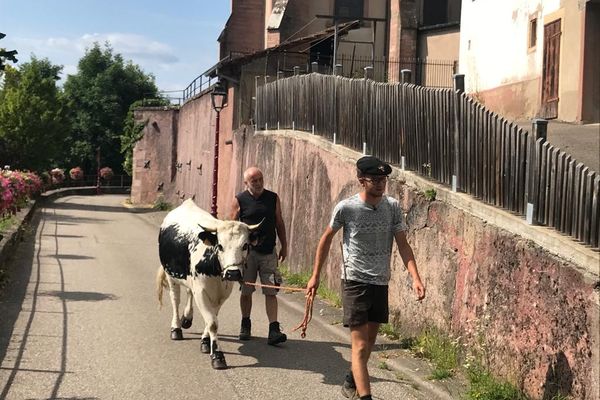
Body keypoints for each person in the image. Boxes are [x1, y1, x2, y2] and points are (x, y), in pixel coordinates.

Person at [306, 155, 426, 400]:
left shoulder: (392, 207)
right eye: (375, 180)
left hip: (380, 281)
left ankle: (351, 378)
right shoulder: (347, 208)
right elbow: (326, 239)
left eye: (384, 180)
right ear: (362, 180)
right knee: (360, 346)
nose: (381, 184)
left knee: (369, 343)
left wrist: (415, 277)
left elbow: (403, 244)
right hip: (355, 281)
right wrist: (315, 275)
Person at [230, 166, 288, 345]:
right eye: (254, 180)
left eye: (260, 179)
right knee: (246, 291)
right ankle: (245, 325)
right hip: (248, 255)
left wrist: (284, 245)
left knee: (271, 291)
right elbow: (231, 227)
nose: (258, 183)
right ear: (246, 182)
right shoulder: (239, 200)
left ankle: (274, 330)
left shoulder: (272, 198)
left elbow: (279, 222)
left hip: (268, 252)